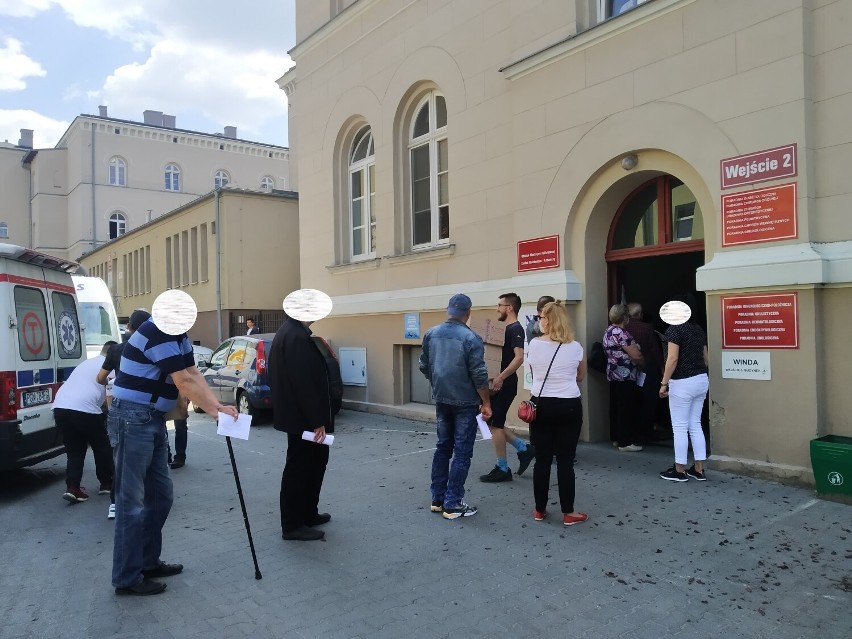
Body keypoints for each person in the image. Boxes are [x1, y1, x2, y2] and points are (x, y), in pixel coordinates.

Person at [108, 307, 238, 596]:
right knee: (131, 504)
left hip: (150, 419)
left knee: (160, 497)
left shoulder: (177, 334)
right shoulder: (157, 332)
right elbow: (184, 382)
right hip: (131, 419)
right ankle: (126, 578)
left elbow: (193, 372)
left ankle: (147, 562)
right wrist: (216, 413)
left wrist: (217, 406)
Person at [419, 294, 492, 520]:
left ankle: (437, 498)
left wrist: (438, 383)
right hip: (465, 402)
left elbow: (424, 365)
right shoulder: (471, 338)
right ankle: (453, 503)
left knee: (443, 447)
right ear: (468, 313)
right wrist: (486, 401)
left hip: (442, 398)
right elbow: (479, 374)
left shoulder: (431, 333)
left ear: (448, 310)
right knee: (462, 452)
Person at [270, 307, 335, 542]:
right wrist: (316, 420)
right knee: (299, 469)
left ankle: (308, 513)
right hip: (303, 420)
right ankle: (293, 525)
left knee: (314, 464)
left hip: (301, 417)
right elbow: (303, 382)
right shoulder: (295, 336)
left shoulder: (293, 333)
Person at [526, 301, 588, 525]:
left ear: (548, 321)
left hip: (541, 404)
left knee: (541, 460)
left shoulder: (534, 345)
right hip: (569, 404)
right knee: (565, 460)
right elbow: (580, 376)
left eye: (541, 318)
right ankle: (568, 512)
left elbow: (534, 374)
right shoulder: (576, 347)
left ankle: (539, 509)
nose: (539, 321)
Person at [98, 309, 150, 519]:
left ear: (128, 327)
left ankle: (115, 504)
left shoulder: (115, 350)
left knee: (120, 458)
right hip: (147, 407)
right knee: (149, 457)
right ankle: (144, 501)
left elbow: (100, 378)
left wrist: (112, 382)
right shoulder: (150, 349)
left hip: (120, 407)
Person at [480, 293, 534, 482]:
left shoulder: (516, 329)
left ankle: (502, 468)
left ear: (509, 307)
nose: (498, 309)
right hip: (497, 383)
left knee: (494, 424)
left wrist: (501, 377)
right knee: (491, 421)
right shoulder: (505, 328)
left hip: (505, 384)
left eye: (500, 305)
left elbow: (519, 357)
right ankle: (523, 448)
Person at [54, 341, 117, 505]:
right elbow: (109, 396)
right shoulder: (110, 366)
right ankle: (106, 483)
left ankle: (73, 488)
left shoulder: (86, 363)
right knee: (102, 445)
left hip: (60, 406)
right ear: (113, 354)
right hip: (84, 409)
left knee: (75, 449)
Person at [658, 300, 710, 482]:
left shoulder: (674, 330)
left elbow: (672, 358)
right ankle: (699, 469)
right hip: (701, 379)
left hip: (682, 381)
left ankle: (679, 470)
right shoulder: (698, 329)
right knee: (695, 424)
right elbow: (706, 358)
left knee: (679, 427)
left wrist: (664, 383)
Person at [603, 304, 644, 452]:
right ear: (625, 317)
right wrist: (643, 362)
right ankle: (625, 442)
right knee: (626, 408)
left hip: (613, 373)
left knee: (616, 406)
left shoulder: (608, 330)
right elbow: (636, 355)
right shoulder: (621, 333)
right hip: (625, 374)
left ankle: (616, 437)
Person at [626, 303, 664, 443]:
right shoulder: (647, 328)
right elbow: (654, 350)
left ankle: (632, 432)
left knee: (632, 401)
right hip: (647, 368)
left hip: (627, 370)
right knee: (649, 401)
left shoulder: (622, 328)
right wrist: (662, 367)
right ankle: (646, 432)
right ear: (640, 315)